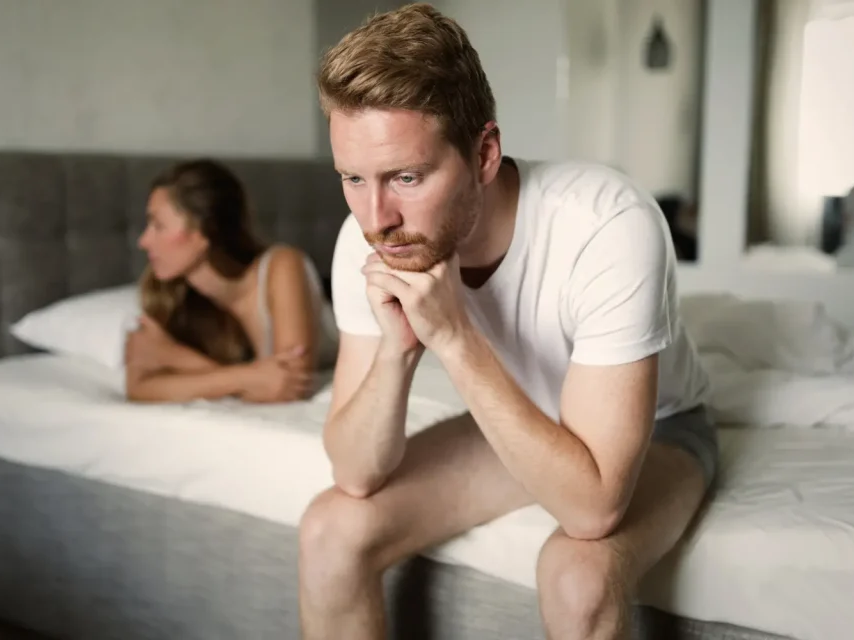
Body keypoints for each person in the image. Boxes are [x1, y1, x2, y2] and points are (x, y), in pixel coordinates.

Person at [297, 4, 715, 639]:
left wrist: (454, 335)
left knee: (576, 575)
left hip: (661, 429)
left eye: (407, 176)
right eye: (353, 178)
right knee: (331, 530)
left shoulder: (607, 223)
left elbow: (592, 509)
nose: (376, 216)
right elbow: (355, 472)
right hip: (523, 412)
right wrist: (396, 352)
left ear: (484, 153)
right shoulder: (369, 237)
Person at [126, 158, 337, 404]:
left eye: (158, 225)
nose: (143, 241)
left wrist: (177, 357)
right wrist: (247, 378)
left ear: (203, 233)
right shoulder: (166, 294)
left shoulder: (282, 266)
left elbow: (290, 386)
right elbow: (138, 387)